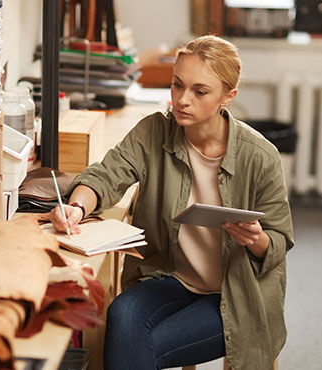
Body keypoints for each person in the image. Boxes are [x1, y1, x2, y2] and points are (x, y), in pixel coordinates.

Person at [49, 35, 294, 370]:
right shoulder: (153, 132)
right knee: (122, 314)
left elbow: (279, 242)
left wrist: (257, 240)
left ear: (228, 96)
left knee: (132, 345)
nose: (182, 100)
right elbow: (105, 175)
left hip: (234, 295)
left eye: (199, 91)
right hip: (170, 277)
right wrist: (76, 207)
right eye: (177, 85)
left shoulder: (261, 156)